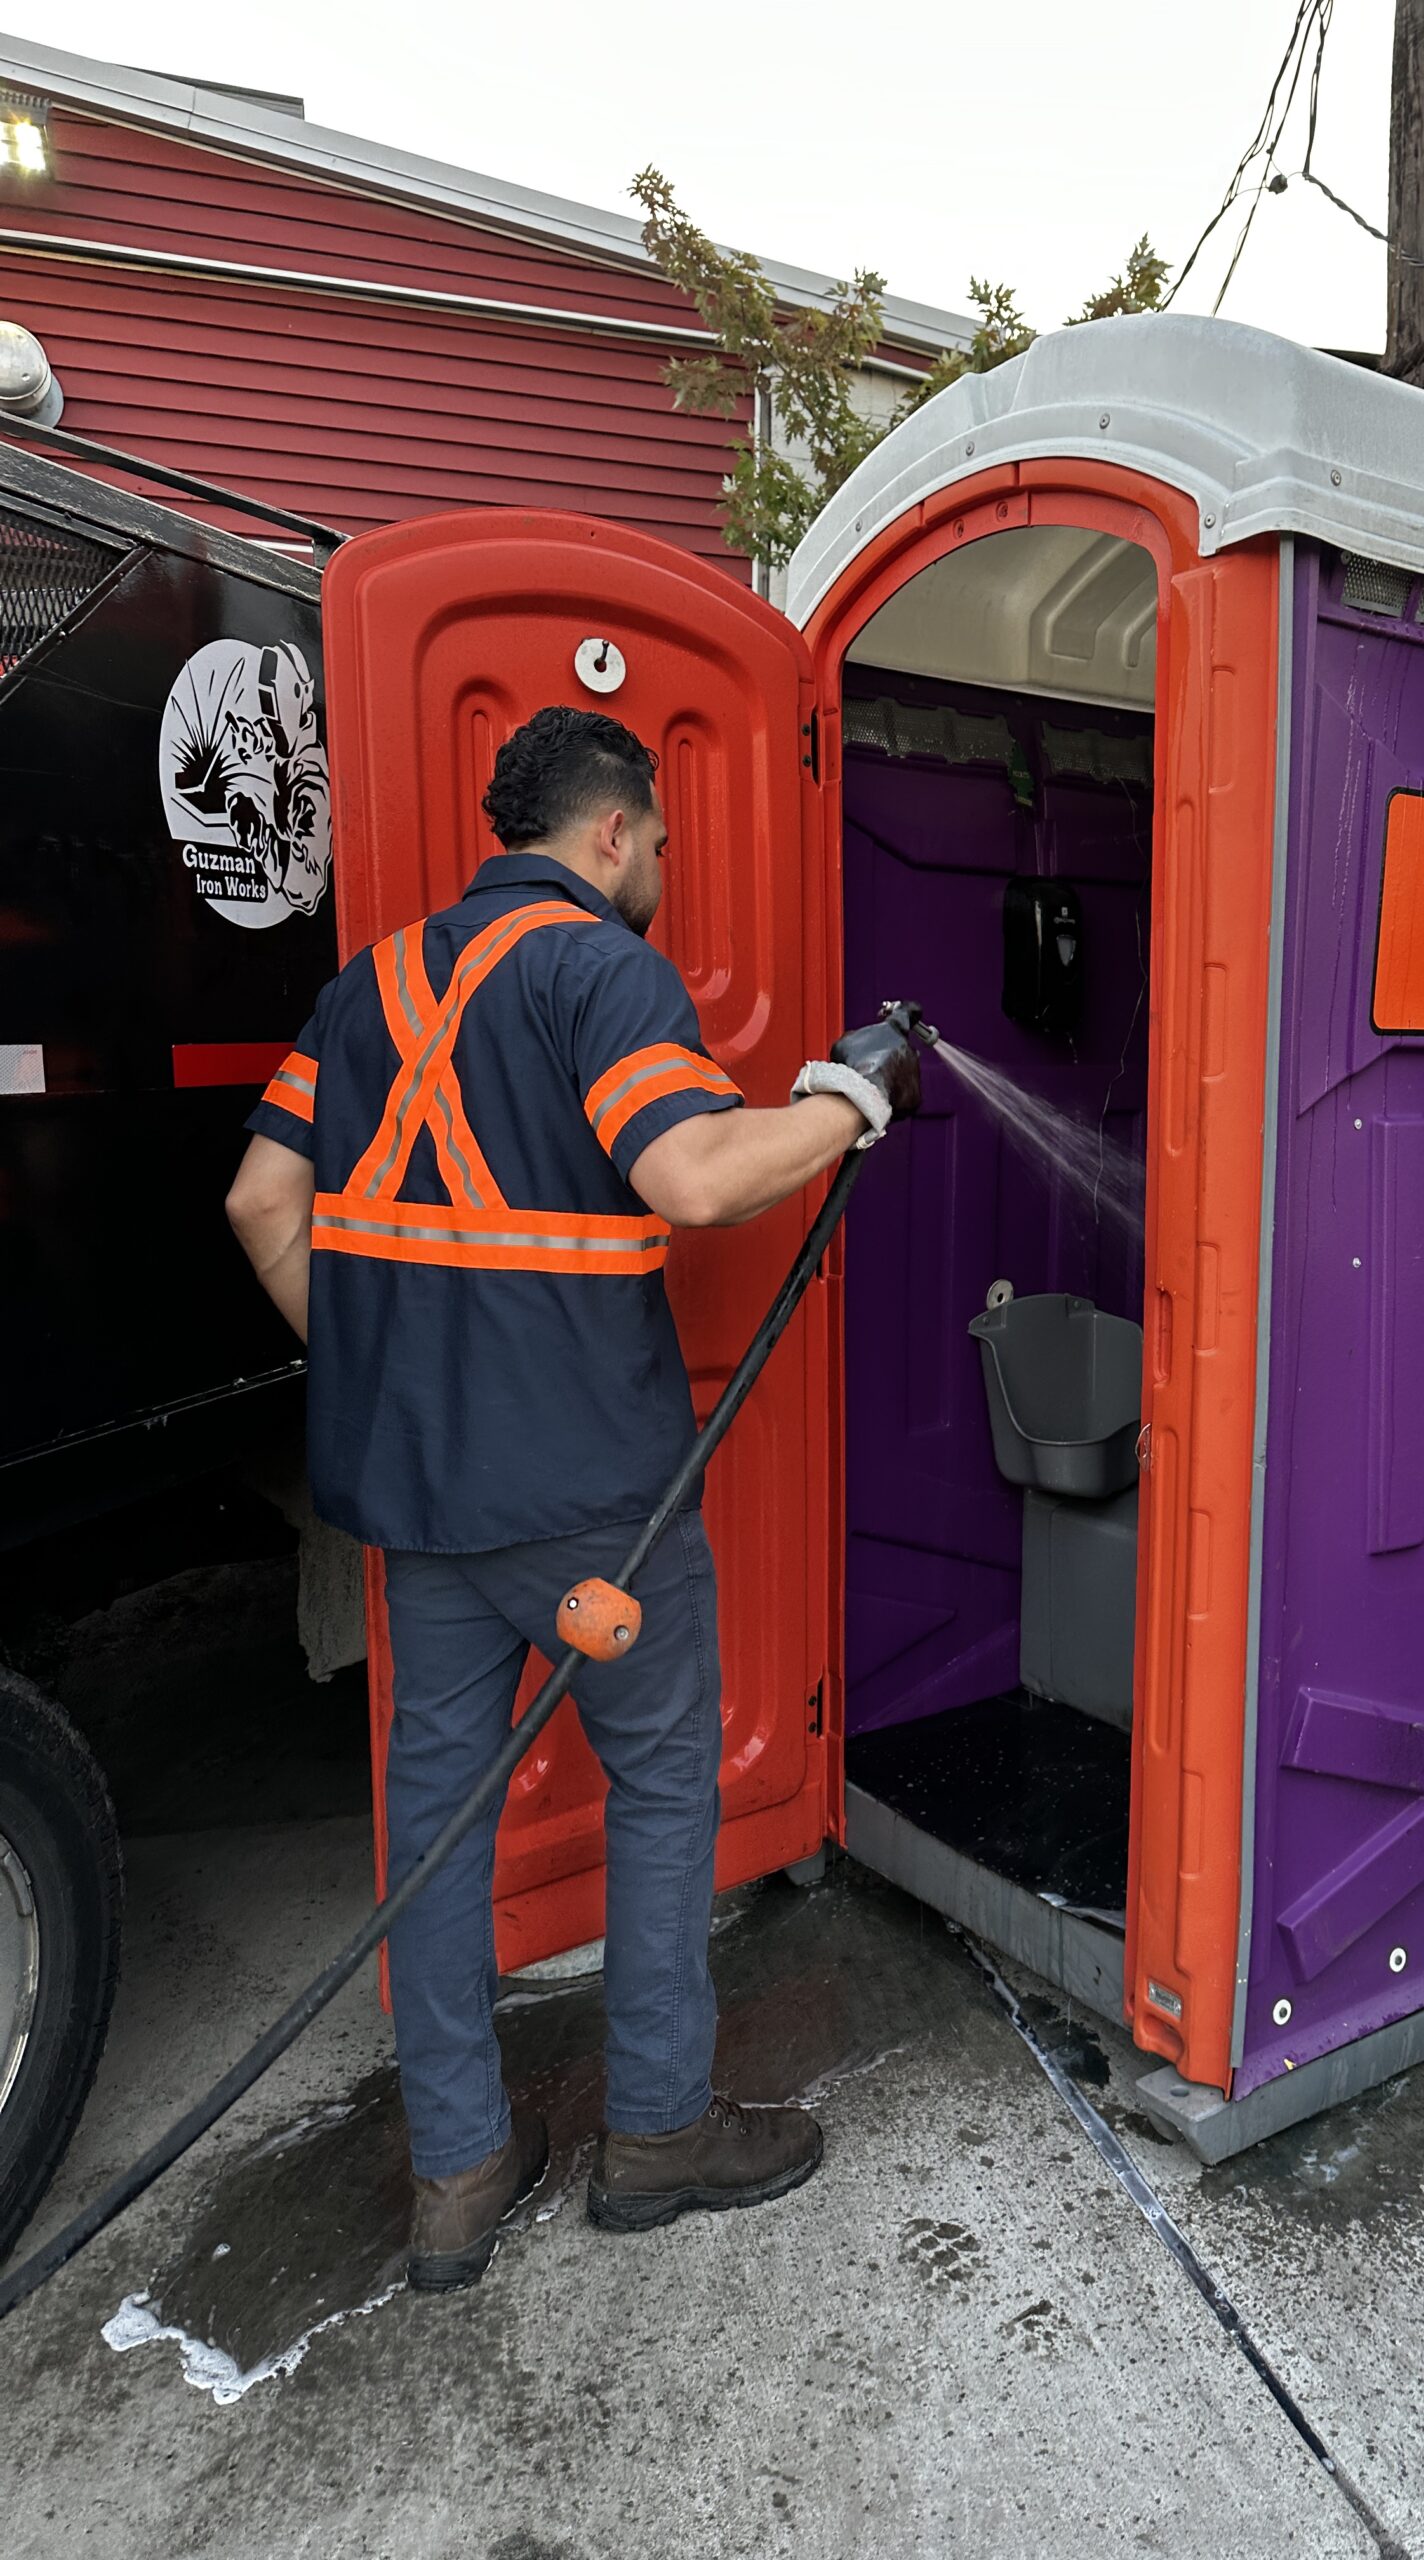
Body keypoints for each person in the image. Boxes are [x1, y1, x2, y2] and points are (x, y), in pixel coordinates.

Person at [227, 704, 919, 2292]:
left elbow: (260, 1194)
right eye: (663, 842)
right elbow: (689, 1176)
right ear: (611, 836)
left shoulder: (367, 988)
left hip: (419, 1511)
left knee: (437, 1832)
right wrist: (848, 1101)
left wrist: (382, 1381)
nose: (665, 867)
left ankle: (459, 2177)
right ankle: (660, 2141)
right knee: (665, 1795)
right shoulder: (602, 969)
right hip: (600, 1511)